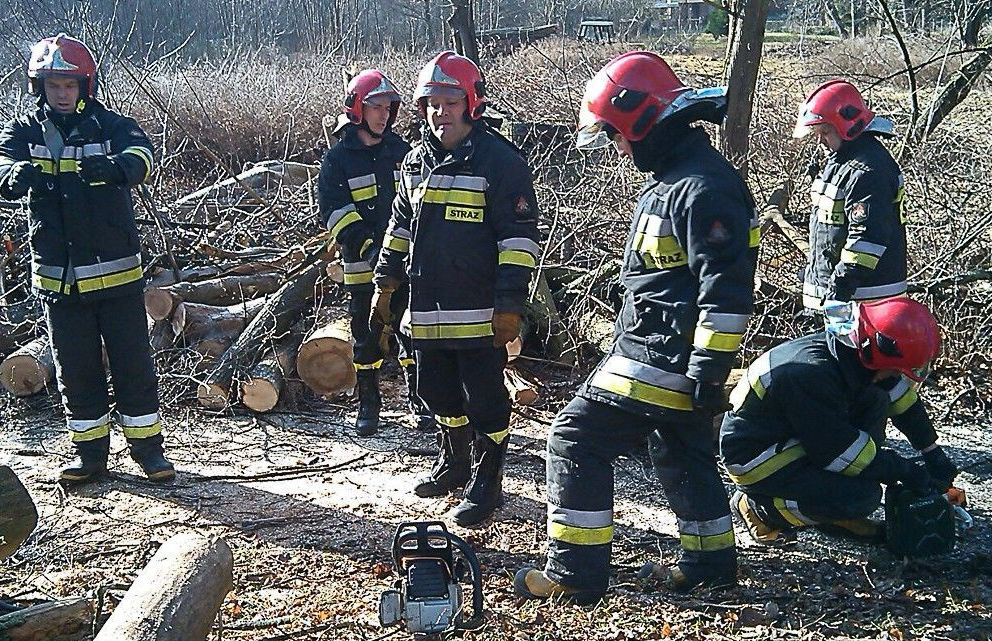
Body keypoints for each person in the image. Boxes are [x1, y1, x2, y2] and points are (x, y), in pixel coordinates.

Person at [515, 52, 758, 602]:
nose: (618, 148)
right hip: (663, 349)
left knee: (575, 438)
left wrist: (708, 369)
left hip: (664, 355)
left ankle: (574, 574)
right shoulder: (680, 179)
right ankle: (710, 563)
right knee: (681, 450)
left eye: (616, 134)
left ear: (644, 121)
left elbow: (726, 289)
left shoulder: (702, 188)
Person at [0, 34, 172, 484]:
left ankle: (149, 452)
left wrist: (118, 168)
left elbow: (143, 155)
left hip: (116, 277)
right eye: (53, 85)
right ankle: (90, 456)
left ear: (85, 86)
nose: (62, 94)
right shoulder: (25, 131)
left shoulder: (111, 126)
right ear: (39, 87)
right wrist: (10, 176)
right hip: (59, 281)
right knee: (76, 371)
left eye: (69, 85)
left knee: (133, 366)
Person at [374, 51, 540, 527]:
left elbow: (519, 239)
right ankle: (454, 463)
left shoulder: (500, 162)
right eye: (431, 103)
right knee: (436, 393)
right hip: (426, 311)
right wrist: (385, 278)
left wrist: (509, 305)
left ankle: (488, 481)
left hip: (479, 312)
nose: (439, 113)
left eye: (449, 102)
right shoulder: (414, 161)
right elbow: (399, 224)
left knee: (486, 400)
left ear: (472, 104)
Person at [721, 297, 960, 542]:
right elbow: (838, 452)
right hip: (758, 458)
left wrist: (932, 452)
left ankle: (829, 503)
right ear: (878, 355)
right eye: (894, 370)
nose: (895, 376)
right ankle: (760, 509)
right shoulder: (808, 375)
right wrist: (904, 470)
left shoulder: (857, 354)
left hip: (794, 435)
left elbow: (902, 400)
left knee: (877, 399)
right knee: (861, 497)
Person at [318, 68, 432, 436]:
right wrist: (370, 250)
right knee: (366, 336)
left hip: (407, 263)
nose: (384, 115)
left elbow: (420, 205)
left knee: (412, 332)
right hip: (362, 267)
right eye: (376, 107)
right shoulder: (337, 160)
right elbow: (335, 213)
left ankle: (421, 401)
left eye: (388, 108)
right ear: (357, 109)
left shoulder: (403, 153)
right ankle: (369, 403)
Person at [795, 80, 907, 316]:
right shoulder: (840, 161)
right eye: (816, 133)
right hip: (841, 303)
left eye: (825, 132)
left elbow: (866, 242)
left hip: (865, 305)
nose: (820, 141)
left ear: (847, 127)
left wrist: (837, 290)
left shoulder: (868, 171)